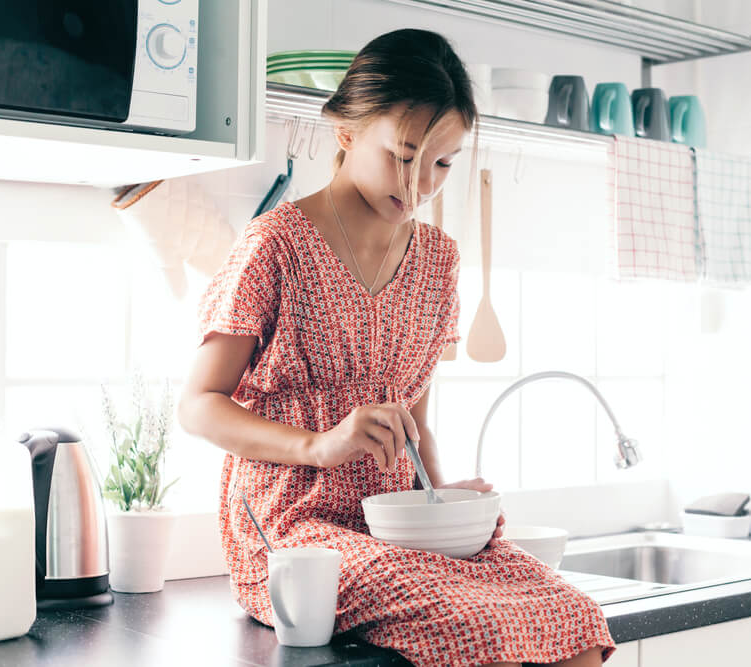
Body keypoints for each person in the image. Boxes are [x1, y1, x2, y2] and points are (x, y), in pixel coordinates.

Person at [178, 28, 616, 667]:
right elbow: (197, 404)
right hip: (291, 534)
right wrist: (319, 446)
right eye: (402, 155)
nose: (419, 186)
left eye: (441, 164)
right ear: (348, 131)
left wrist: (444, 504)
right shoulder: (276, 244)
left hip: (399, 527)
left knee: (574, 617)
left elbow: (417, 426)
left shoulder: (438, 262)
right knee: (477, 627)